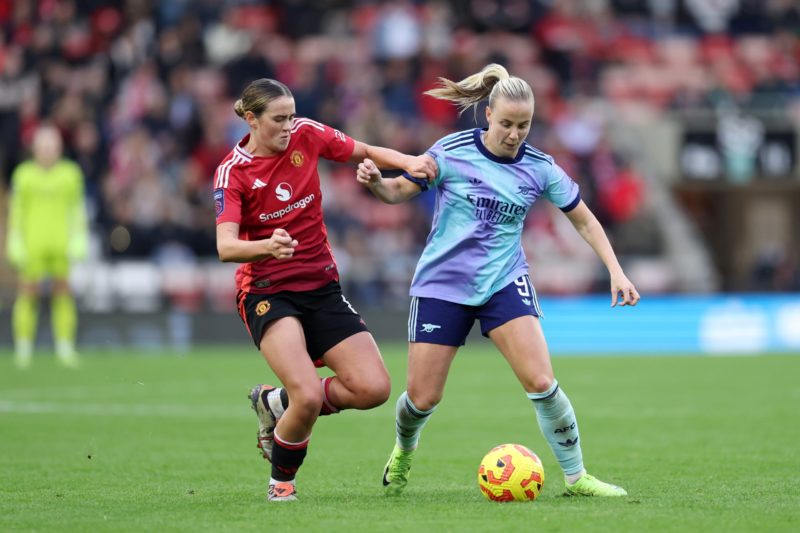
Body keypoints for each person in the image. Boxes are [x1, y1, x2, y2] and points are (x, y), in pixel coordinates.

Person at [356, 64, 640, 497]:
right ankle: (403, 450)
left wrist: (616, 270)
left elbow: (584, 220)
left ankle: (576, 476)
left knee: (542, 383)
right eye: (506, 123)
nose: (514, 134)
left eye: (523, 125)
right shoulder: (450, 151)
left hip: (503, 282)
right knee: (422, 398)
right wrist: (378, 183)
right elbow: (400, 192)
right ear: (488, 114)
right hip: (441, 285)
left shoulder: (541, 168)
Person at [214, 78, 435, 502]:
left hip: (321, 287)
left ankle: (276, 404)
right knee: (309, 394)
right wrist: (266, 246)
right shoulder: (233, 172)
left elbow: (364, 151)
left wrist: (411, 160)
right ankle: (282, 484)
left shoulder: (307, 134)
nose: (288, 126)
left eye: (291, 116)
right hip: (267, 292)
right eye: (278, 119)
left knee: (373, 388)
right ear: (251, 120)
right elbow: (226, 246)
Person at [5, 124, 88, 369]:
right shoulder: (24, 175)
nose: (48, 150)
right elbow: (17, 211)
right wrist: (14, 239)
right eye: (44, 146)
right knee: (27, 294)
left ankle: (64, 347)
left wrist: (79, 237)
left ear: (59, 148)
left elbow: (77, 209)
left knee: (62, 294)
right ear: (35, 148)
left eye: (53, 146)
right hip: (33, 245)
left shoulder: (71, 174)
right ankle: (23, 347)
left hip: (61, 245)